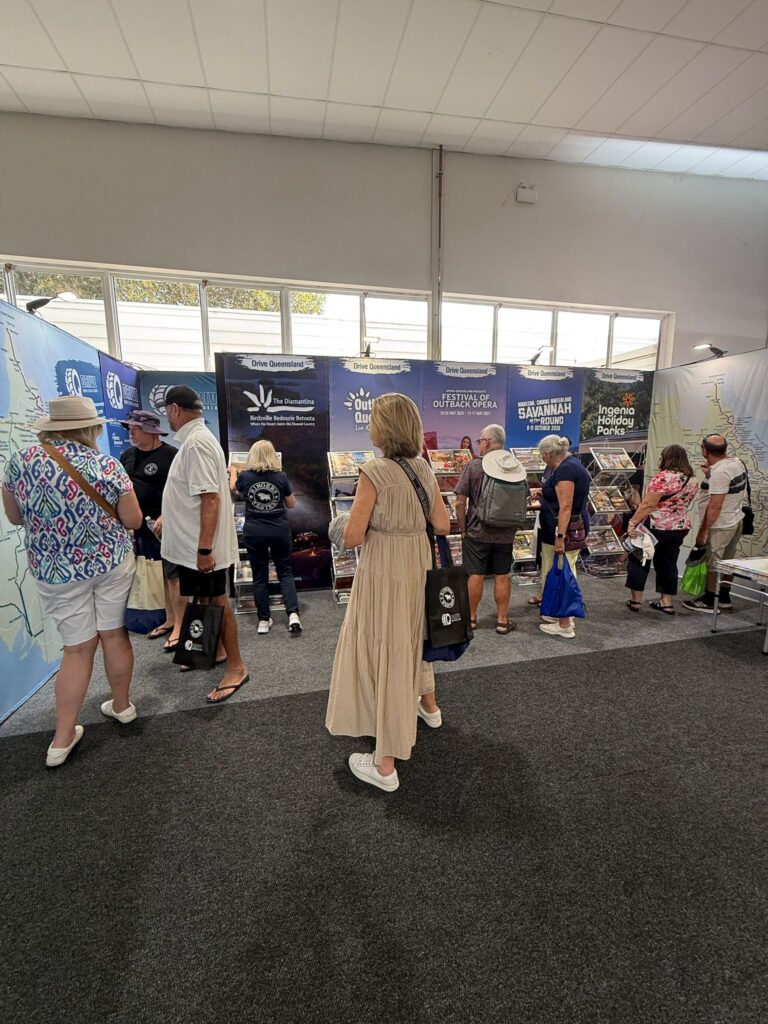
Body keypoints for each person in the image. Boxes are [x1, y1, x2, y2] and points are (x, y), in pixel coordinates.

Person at [2, 396, 142, 767]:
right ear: (91, 427)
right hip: (111, 563)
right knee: (114, 634)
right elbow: (133, 520)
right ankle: (123, 706)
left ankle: (62, 738)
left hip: (56, 570)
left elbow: (14, 517)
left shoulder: (20, 462)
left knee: (76, 649)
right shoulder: (107, 464)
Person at [326, 393, 450, 793]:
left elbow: (352, 536)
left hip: (384, 570)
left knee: (385, 650)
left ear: (384, 428)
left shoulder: (374, 471)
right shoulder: (423, 468)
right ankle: (429, 708)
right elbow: (443, 525)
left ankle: (385, 765)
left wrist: (347, 523)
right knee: (412, 640)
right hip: (417, 565)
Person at [160, 385, 249, 703]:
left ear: (174, 409)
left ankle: (237, 668)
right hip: (194, 545)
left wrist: (204, 550)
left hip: (200, 547)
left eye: (167, 413)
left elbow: (210, 499)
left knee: (218, 602)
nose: (168, 418)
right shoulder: (197, 440)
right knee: (209, 600)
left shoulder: (196, 443)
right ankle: (218, 651)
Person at [455, 424, 525, 634]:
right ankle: (502, 621)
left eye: (480, 441)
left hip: (477, 532)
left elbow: (459, 503)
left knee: (475, 575)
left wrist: (463, 529)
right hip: (506, 533)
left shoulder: (474, 466)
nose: (479, 445)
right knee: (502, 575)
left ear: (486, 442)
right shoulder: (516, 466)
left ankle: (471, 619)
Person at [118, 409, 179, 639]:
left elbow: (181, 492)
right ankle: (169, 618)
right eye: (130, 428)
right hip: (140, 526)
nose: (130, 432)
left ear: (152, 431)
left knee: (174, 576)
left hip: (167, 525)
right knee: (156, 572)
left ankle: (180, 624)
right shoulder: (127, 456)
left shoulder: (171, 455)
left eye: (136, 428)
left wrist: (166, 515)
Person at [232, 440, 302, 635]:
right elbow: (291, 504)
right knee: (285, 573)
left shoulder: (245, 476)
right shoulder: (281, 477)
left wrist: (233, 471)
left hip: (254, 532)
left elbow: (234, 489)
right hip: (279, 530)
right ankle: (293, 615)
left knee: (259, 576)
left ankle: (263, 620)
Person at [624, 445, 699, 614]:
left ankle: (636, 601)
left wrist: (632, 523)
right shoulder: (692, 479)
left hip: (656, 525)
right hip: (679, 526)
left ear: (666, 458)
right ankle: (666, 602)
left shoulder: (662, 477)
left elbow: (648, 504)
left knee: (640, 559)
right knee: (668, 563)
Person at [683, 434, 746, 613]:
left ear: (705, 450)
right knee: (727, 561)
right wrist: (709, 474)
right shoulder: (736, 462)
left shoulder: (720, 472)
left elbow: (715, 505)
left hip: (720, 525)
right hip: (734, 519)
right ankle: (724, 597)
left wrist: (703, 531)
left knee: (714, 562)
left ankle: (710, 600)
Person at [537, 433, 591, 639]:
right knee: (561, 570)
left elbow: (566, 506)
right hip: (566, 527)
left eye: (542, 455)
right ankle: (559, 613)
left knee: (562, 573)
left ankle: (565, 622)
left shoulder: (565, 470)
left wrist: (560, 537)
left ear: (549, 454)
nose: (543, 459)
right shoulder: (572, 465)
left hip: (562, 530)